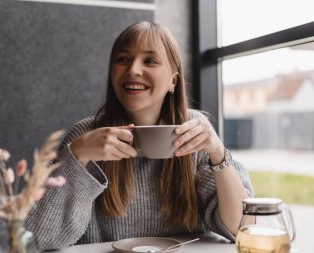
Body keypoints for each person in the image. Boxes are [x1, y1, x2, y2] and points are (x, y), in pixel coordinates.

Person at [25, 21, 253, 251]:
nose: (133, 69)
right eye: (123, 59)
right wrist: (77, 155)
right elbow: (37, 239)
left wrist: (217, 152)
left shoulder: (195, 131)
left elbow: (242, 228)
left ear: (173, 80)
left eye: (150, 61)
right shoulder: (86, 136)